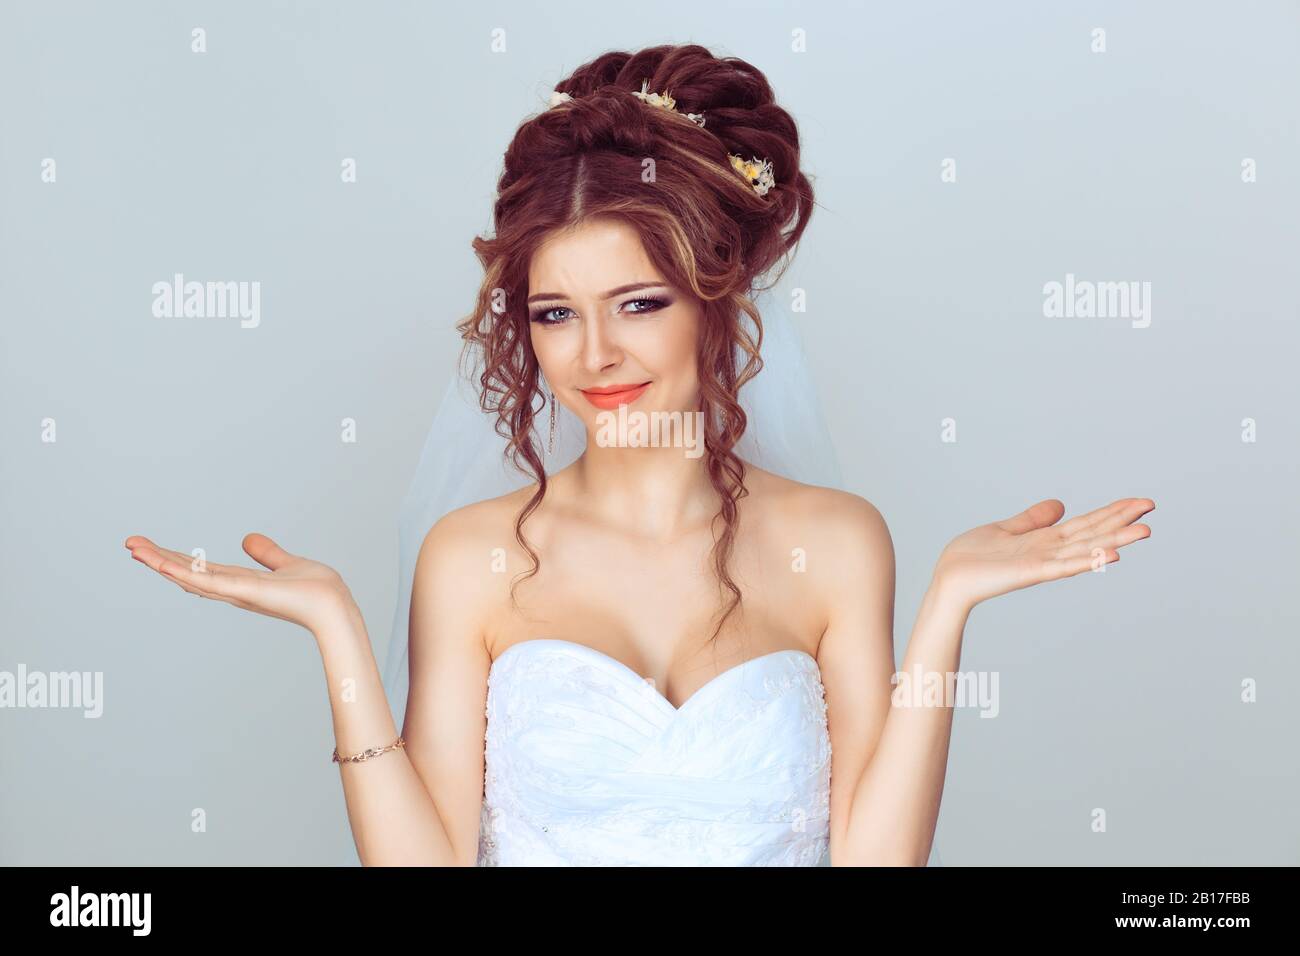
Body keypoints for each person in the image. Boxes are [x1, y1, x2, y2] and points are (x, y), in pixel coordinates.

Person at [125, 43, 1154, 866]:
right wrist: (338, 631)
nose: (596, 354)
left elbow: (877, 859)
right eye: (555, 313)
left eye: (639, 303)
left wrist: (947, 609)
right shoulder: (469, 557)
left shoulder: (836, 543)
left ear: (718, 298)